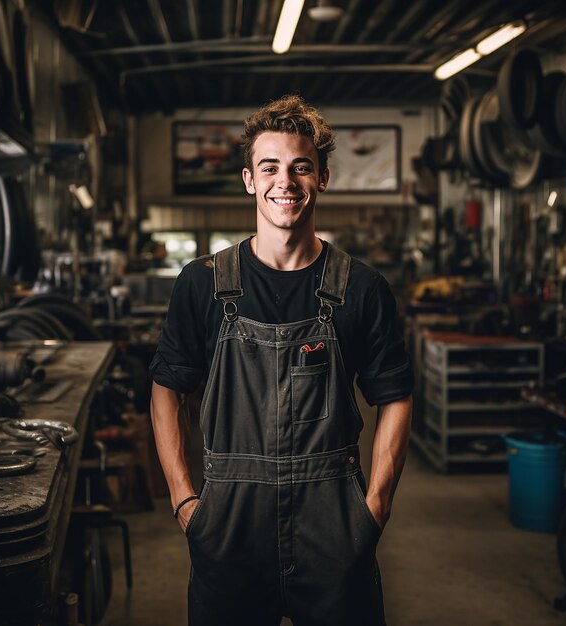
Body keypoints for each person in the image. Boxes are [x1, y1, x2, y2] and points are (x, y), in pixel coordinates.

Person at [149, 94, 413, 626]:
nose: (285, 183)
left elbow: (396, 396)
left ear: (323, 178)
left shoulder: (360, 288)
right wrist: (184, 500)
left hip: (334, 520)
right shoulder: (202, 284)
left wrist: (375, 507)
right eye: (270, 167)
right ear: (249, 180)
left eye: (301, 168)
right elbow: (166, 391)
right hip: (228, 521)